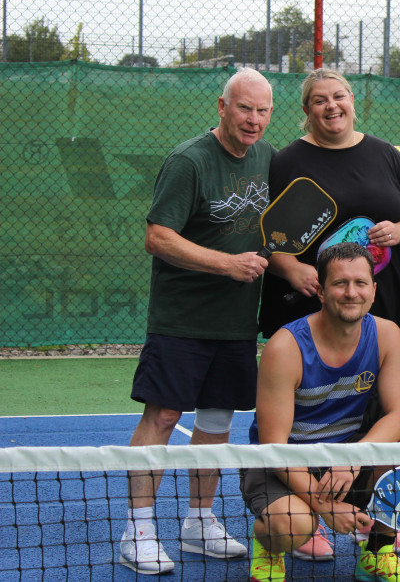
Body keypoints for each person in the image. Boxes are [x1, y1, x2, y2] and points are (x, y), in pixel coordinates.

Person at [257, 69, 400, 559]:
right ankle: (305, 514)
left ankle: (373, 531)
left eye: (339, 97)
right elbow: (267, 239)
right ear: (306, 110)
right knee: (307, 415)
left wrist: (396, 232)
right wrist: (293, 272)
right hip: (305, 309)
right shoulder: (287, 160)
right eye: (319, 100)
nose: (331, 106)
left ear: (353, 102)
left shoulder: (385, 155)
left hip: (375, 306)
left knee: (381, 417)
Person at [118, 68, 276, 575]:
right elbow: (157, 237)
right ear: (222, 107)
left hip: (236, 325)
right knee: (163, 418)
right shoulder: (188, 161)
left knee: (215, 421)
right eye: (244, 108)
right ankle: (138, 530)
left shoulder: (269, 158)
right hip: (181, 320)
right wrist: (226, 264)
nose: (253, 120)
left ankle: (199, 522)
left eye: (263, 110)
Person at [243, 243, 400, 582]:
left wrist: (353, 457)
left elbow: (399, 417)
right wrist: (325, 506)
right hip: (283, 461)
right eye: (340, 284)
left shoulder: (387, 335)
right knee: (292, 525)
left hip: (345, 457)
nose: (351, 292)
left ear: (373, 290)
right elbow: (273, 445)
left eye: (360, 283)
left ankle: (377, 555)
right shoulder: (285, 347)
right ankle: (268, 547)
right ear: (321, 292)